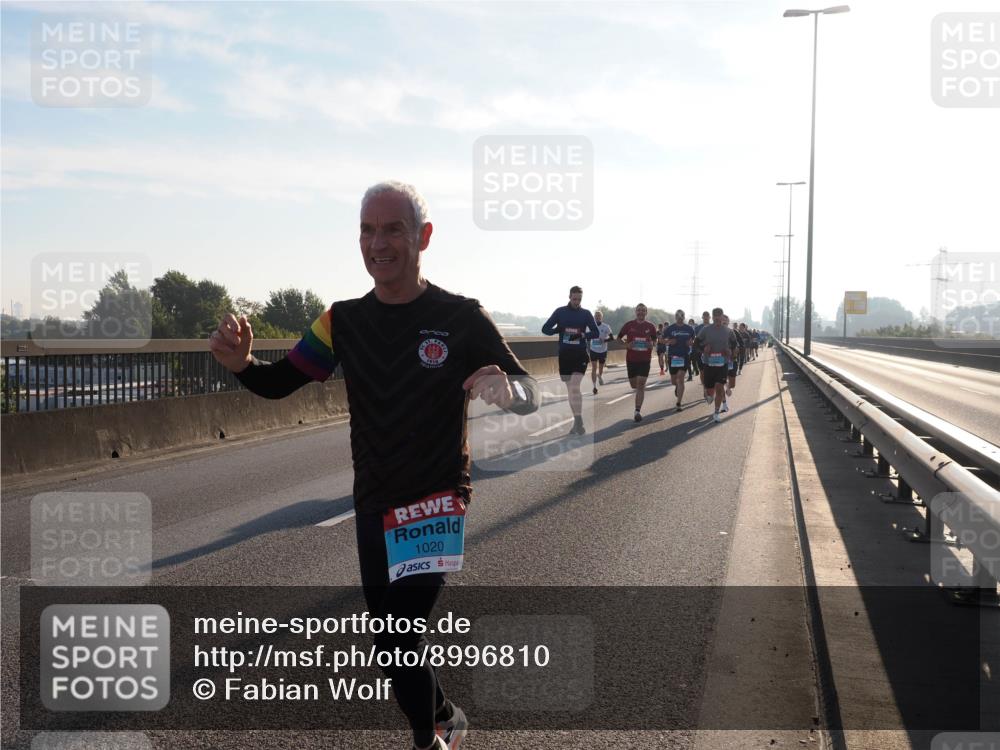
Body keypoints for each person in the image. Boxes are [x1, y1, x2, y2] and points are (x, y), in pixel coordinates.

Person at [209, 181, 539, 750]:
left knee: (395, 637)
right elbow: (276, 382)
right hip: (373, 501)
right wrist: (242, 365)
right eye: (367, 229)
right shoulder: (341, 320)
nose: (377, 243)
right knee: (391, 644)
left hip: (436, 499)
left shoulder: (461, 317)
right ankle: (444, 715)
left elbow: (532, 392)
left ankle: (429, 740)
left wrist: (506, 387)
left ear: (423, 237)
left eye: (392, 229)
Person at [542, 286, 600, 436]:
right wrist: (558, 329)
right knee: (571, 389)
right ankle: (577, 421)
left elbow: (595, 332)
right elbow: (545, 329)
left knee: (574, 386)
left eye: (579, 299)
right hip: (565, 355)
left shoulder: (586, 314)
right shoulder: (560, 312)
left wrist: (582, 335)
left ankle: (579, 421)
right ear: (569, 296)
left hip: (580, 354)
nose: (576, 302)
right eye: (574, 299)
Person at [693, 307, 738, 423]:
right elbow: (696, 343)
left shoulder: (728, 331)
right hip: (709, 364)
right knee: (710, 392)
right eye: (715, 317)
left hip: (722, 364)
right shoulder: (706, 330)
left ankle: (716, 413)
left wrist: (731, 353)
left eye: (720, 316)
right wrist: (703, 349)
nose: (718, 319)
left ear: (722, 317)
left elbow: (735, 345)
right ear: (713, 317)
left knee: (719, 388)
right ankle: (709, 395)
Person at [617, 303, 659, 422]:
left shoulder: (650, 326)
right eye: (638, 310)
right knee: (634, 385)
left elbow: (655, 341)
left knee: (641, 384)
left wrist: (652, 344)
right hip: (631, 360)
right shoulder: (629, 325)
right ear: (636, 312)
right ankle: (638, 404)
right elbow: (618, 339)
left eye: (643, 310)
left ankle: (637, 411)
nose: (640, 312)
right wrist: (627, 345)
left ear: (646, 312)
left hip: (645, 360)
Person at [663, 309, 695, 412]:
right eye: (678, 316)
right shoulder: (670, 328)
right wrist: (669, 341)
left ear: (684, 317)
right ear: (675, 317)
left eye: (682, 316)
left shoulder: (689, 329)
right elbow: (661, 340)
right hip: (673, 357)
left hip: (684, 356)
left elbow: (693, 340)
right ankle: (677, 386)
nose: (680, 318)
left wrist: (691, 343)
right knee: (674, 381)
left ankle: (679, 403)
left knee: (681, 378)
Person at [589, 309, 614, 395]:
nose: (597, 318)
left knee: (601, 368)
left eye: (599, 316)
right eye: (596, 316)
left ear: (601, 318)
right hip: (593, 350)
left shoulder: (606, 326)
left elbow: (612, 338)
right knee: (593, 368)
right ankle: (594, 386)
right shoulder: (591, 327)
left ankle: (599, 376)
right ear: (594, 318)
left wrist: (605, 340)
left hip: (603, 350)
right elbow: (587, 337)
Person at [686, 318, 700, 382]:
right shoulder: (686, 330)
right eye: (689, 322)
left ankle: (696, 370)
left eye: (691, 322)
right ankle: (690, 376)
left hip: (693, 348)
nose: (690, 323)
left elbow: (696, 338)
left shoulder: (695, 329)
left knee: (694, 361)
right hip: (687, 349)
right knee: (688, 362)